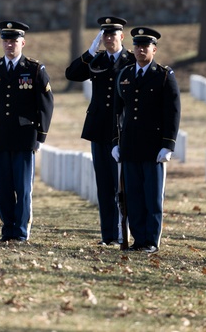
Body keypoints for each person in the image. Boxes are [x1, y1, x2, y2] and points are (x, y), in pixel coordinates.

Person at [65, 15, 135, 245]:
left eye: (112, 35)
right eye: (104, 35)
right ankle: (109, 235)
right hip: (99, 129)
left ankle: (126, 232)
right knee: (105, 186)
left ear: (121, 37)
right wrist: (89, 52)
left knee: (125, 185)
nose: (108, 39)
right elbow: (72, 74)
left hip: (124, 131)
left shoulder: (131, 61)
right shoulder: (96, 60)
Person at [110, 27, 181, 252]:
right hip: (130, 146)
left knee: (152, 197)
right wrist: (115, 142)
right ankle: (138, 239)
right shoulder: (125, 75)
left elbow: (173, 112)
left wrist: (168, 144)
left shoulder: (163, 75)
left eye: (145, 46)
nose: (141, 50)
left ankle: (151, 240)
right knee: (133, 197)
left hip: (153, 148)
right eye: (137, 46)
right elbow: (116, 111)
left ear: (154, 49)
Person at [0, 20, 54, 242]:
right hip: (0, 137)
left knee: (22, 189)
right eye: (6, 40)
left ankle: (21, 231)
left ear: (23, 43)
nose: (9, 45)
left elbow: (46, 104)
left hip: (24, 138)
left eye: (14, 41)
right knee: (2, 188)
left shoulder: (33, 69)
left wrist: (41, 135)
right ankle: (8, 229)